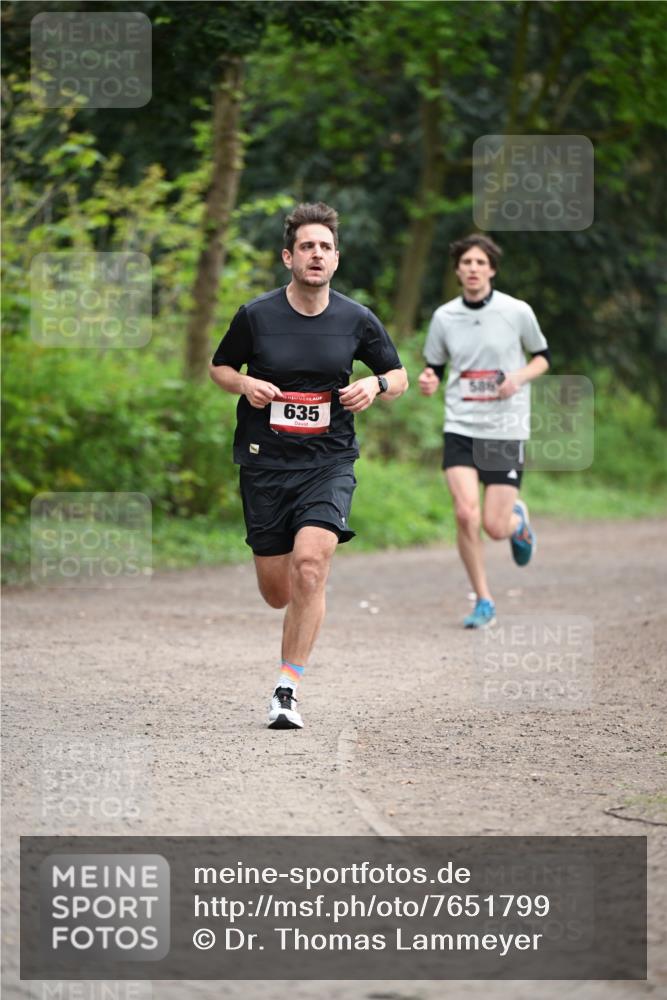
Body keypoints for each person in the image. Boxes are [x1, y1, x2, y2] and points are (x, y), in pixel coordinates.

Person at [209, 202, 408, 728]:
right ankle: (298, 607)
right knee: (279, 592)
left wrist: (376, 383)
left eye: (324, 247)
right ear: (288, 257)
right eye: (306, 247)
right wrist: (245, 383)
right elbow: (220, 367)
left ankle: (286, 689)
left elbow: (399, 375)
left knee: (310, 567)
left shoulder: (356, 319)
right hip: (265, 463)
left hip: (329, 461)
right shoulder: (257, 316)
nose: (315, 254)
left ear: (336, 259)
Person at [418, 234, 550, 629]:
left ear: (491, 269)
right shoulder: (444, 317)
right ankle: (484, 600)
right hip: (461, 426)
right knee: (464, 513)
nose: (473, 268)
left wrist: (519, 377)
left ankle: (516, 523)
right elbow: (435, 369)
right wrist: (427, 380)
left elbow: (543, 357)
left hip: (505, 427)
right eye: (466, 262)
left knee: (494, 526)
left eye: (480, 262)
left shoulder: (516, 311)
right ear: (458, 270)